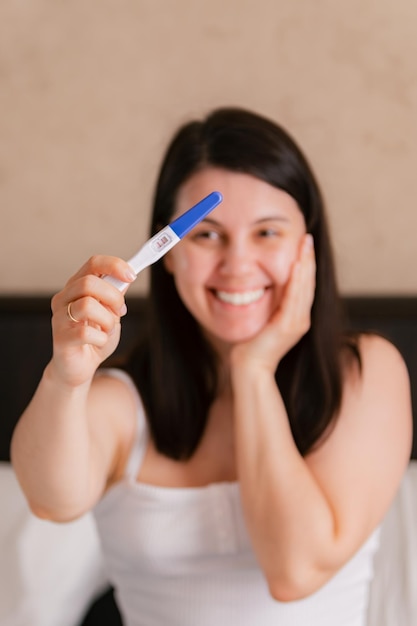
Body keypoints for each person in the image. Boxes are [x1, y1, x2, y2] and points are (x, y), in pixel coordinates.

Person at [11, 107, 412, 625]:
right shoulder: (123, 401)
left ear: (307, 246)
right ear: (168, 253)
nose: (237, 264)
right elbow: (50, 502)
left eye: (267, 233)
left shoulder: (365, 373)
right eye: (205, 235)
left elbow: (294, 572)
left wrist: (253, 370)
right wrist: (65, 375)